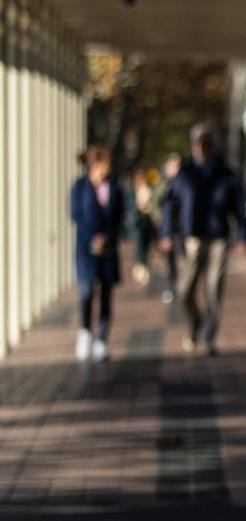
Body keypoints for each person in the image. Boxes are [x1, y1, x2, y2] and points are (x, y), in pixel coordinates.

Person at [160, 123, 246, 355]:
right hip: (192, 237)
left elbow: (239, 208)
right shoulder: (185, 173)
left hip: (218, 237)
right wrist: (167, 233)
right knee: (184, 289)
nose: (203, 148)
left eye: (208, 143)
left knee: (213, 288)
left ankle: (209, 336)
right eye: (199, 143)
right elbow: (171, 205)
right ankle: (195, 323)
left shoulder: (226, 173)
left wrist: (242, 237)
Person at [69, 146, 125, 363]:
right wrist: (93, 238)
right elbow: (76, 215)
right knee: (86, 291)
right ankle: (85, 331)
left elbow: (119, 217)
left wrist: (107, 237)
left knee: (106, 294)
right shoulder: (80, 187)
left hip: (108, 248)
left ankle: (102, 338)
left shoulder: (115, 187)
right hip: (86, 248)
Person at [153, 153, 183, 304]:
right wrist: (164, 232)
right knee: (170, 260)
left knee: (182, 258)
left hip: (183, 229)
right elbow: (159, 207)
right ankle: (170, 286)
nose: (175, 169)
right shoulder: (164, 186)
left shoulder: (185, 184)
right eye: (172, 166)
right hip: (168, 228)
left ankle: (180, 286)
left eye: (177, 166)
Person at [127, 167, 156, 287]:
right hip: (138, 224)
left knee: (146, 245)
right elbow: (130, 208)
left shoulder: (149, 189)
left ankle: (144, 267)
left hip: (147, 223)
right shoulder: (133, 192)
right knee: (139, 246)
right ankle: (140, 268)